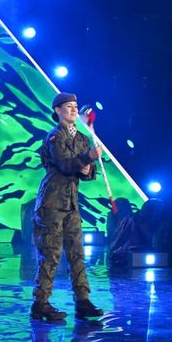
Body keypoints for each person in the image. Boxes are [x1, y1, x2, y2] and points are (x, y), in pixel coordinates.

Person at [31, 92, 104, 321]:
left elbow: (87, 173)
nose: (73, 109)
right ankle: (40, 303)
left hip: (71, 203)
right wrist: (86, 158)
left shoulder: (82, 138)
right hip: (52, 202)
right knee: (50, 254)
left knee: (77, 253)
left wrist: (88, 168)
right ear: (57, 110)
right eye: (68, 106)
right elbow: (64, 163)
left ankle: (82, 301)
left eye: (75, 106)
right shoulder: (55, 136)